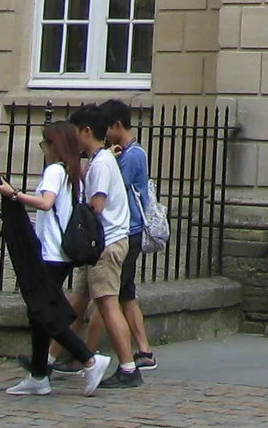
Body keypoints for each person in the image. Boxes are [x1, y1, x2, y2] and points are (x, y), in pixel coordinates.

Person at [0, 121, 111, 396]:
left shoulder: (55, 171)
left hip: (51, 253)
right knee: (39, 314)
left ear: (54, 146)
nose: (43, 149)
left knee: (44, 313)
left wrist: (13, 194)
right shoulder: (72, 172)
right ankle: (38, 375)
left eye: (45, 143)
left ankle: (88, 359)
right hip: (61, 253)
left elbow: (46, 203)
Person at [69, 104, 143, 387]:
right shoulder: (102, 160)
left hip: (106, 243)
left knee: (109, 306)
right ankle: (49, 359)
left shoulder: (101, 163)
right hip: (103, 243)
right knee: (79, 302)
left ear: (87, 131)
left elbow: (96, 206)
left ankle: (128, 367)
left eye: (75, 132)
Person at [99, 98, 159, 371]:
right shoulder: (127, 152)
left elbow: (116, 188)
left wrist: (108, 159)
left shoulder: (133, 155)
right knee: (125, 294)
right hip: (128, 229)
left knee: (108, 296)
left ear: (117, 125)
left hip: (129, 229)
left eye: (106, 127)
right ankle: (144, 350)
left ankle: (85, 353)